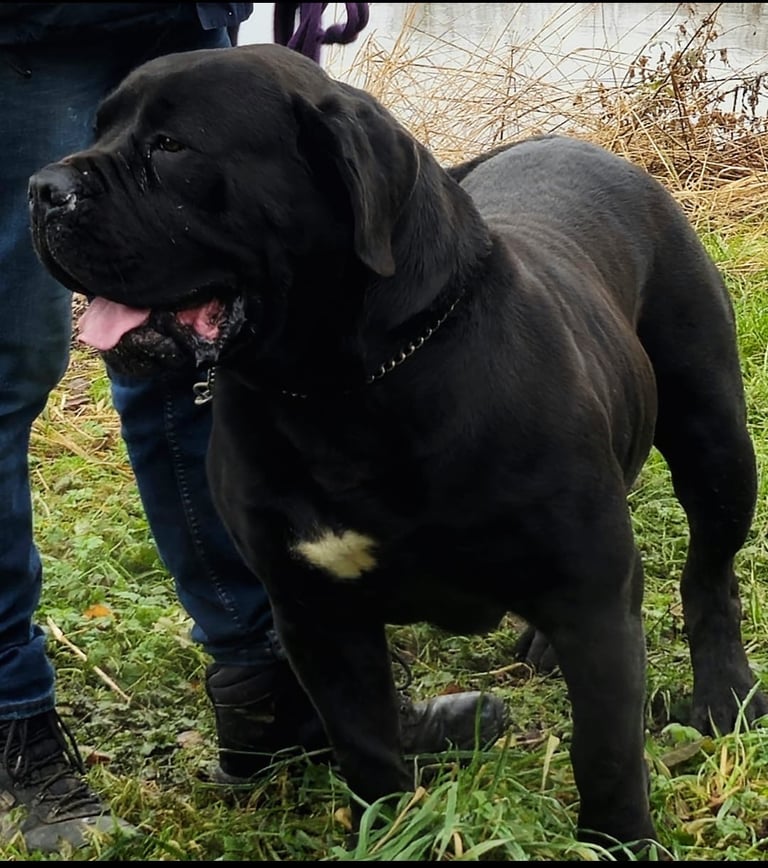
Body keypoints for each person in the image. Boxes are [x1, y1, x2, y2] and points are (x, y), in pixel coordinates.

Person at [0, 2, 508, 854]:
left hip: (176, 10)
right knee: (4, 374)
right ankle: (15, 721)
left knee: (202, 344)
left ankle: (266, 684)